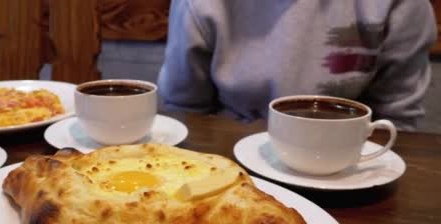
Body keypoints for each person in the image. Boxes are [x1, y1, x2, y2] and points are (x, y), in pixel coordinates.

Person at [157, 0, 437, 131]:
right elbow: (186, 111)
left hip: (347, 162)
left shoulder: (399, 4)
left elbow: (397, 119)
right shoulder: (202, 4)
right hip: (231, 160)